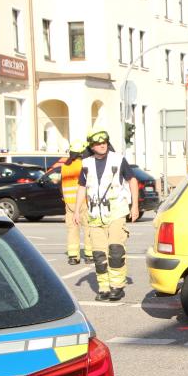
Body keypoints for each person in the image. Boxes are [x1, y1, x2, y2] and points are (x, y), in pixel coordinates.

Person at [74, 129, 139, 302]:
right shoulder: (86, 163)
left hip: (116, 211)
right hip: (95, 215)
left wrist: (135, 205)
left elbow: (132, 180)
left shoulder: (118, 159)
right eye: (98, 143)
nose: (102, 145)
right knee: (99, 254)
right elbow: (82, 187)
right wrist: (77, 210)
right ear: (91, 146)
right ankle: (104, 287)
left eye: (104, 142)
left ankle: (117, 287)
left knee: (115, 250)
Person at [62, 141, 94, 265]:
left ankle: (73, 256)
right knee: (88, 228)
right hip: (83, 202)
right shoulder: (84, 165)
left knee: (72, 230)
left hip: (69, 203)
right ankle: (89, 255)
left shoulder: (65, 166)